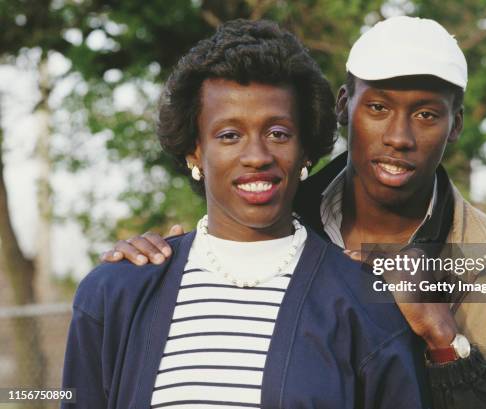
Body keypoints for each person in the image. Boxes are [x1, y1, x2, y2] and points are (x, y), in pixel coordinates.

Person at [102, 16, 486, 409]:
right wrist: (160, 266)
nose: (399, 137)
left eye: (427, 114)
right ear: (345, 106)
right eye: (379, 107)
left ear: (456, 125)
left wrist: (445, 342)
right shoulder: (272, 221)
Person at [62, 19, 424, 409]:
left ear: (305, 151)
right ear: (194, 151)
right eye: (229, 135)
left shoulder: (361, 302)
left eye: (278, 134)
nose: (256, 157)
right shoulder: (116, 292)